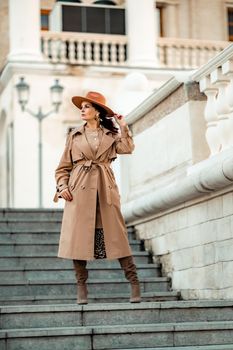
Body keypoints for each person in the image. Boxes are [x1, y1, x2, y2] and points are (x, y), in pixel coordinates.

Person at [53, 91, 141, 305]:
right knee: (78, 240)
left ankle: (134, 282)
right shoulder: (74, 136)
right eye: (81, 107)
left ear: (98, 112)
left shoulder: (111, 136)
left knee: (117, 236)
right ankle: (81, 286)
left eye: (87, 107)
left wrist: (123, 126)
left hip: (105, 188)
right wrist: (62, 186)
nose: (82, 110)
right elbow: (62, 168)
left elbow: (127, 148)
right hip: (79, 192)